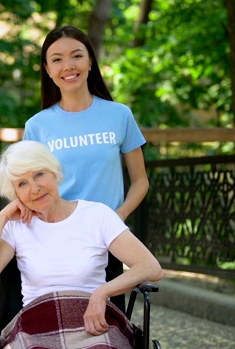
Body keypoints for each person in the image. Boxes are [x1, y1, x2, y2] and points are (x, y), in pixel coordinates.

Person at [0, 141, 163, 348]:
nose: (34, 188)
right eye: (22, 184)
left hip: (94, 324)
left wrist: (102, 293)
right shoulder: (16, 227)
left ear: (54, 172)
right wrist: (1, 220)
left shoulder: (97, 215)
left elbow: (151, 267)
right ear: (15, 194)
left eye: (39, 174)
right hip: (36, 327)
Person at [23, 25, 150, 311]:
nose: (68, 66)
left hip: (106, 240)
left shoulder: (119, 115)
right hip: (52, 236)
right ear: (47, 69)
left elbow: (140, 181)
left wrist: (118, 216)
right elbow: (27, 187)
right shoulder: (37, 126)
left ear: (90, 61)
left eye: (76, 56)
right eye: (57, 59)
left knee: (107, 322)